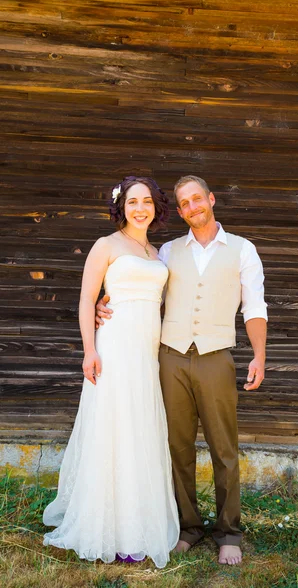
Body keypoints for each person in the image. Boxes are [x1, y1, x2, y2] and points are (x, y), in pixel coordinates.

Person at [96, 175, 267, 566]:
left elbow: (255, 307)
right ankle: (186, 527)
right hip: (170, 357)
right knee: (177, 447)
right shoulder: (167, 252)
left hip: (215, 356)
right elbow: (133, 288)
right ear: (180, 210)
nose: (192, 207)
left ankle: (229, 533)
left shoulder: (243, 250)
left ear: (211, 199)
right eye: (184, 203)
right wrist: (98, 306)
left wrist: (258, 355)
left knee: (224, 448)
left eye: (197, 199)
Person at [43, 176, 179, 567]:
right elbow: (87, 299)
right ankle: (107, 528)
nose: (140, 208)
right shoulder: (106, 245)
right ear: (121, 206)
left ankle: (137, 524)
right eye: (133, 201)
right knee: (114, 428)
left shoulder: (156, 252)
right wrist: (89, 349)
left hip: (146, 351)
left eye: (147, 202)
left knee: (140, 428)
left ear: (156, 207)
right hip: (115, 347)